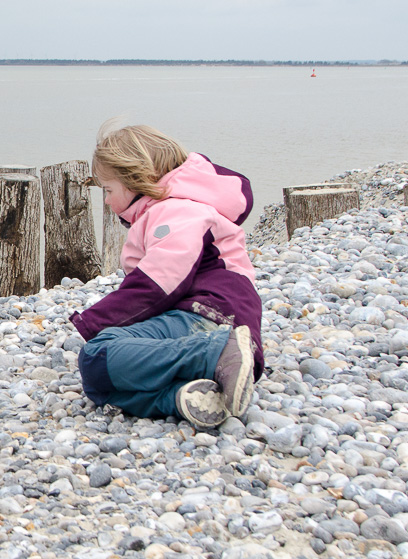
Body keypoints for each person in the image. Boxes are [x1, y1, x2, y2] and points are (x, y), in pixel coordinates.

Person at [70, 120, 264, 430]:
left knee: (98, 354)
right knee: (99, 384)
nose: (105, 201)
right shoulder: (174, 209)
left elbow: (158, 285)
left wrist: (94, 321)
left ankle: (213, 354)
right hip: (207, 322)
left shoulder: (177, 211)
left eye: (108, 190)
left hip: (206, 317)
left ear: (139, 180)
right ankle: (186, 396)